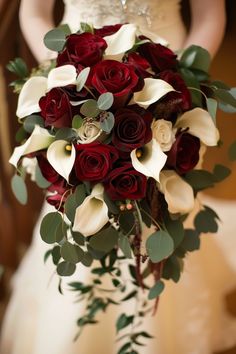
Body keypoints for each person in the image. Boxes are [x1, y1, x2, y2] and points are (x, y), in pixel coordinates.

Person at [1, 0, 236, 353]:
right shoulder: (71, 85)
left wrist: (180, 87)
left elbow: (210, 14)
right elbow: (33, 12)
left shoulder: (173, 93)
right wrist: (64, 83)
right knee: (80, 211)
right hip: (77, 82)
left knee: (162, 209)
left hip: (169, 84)